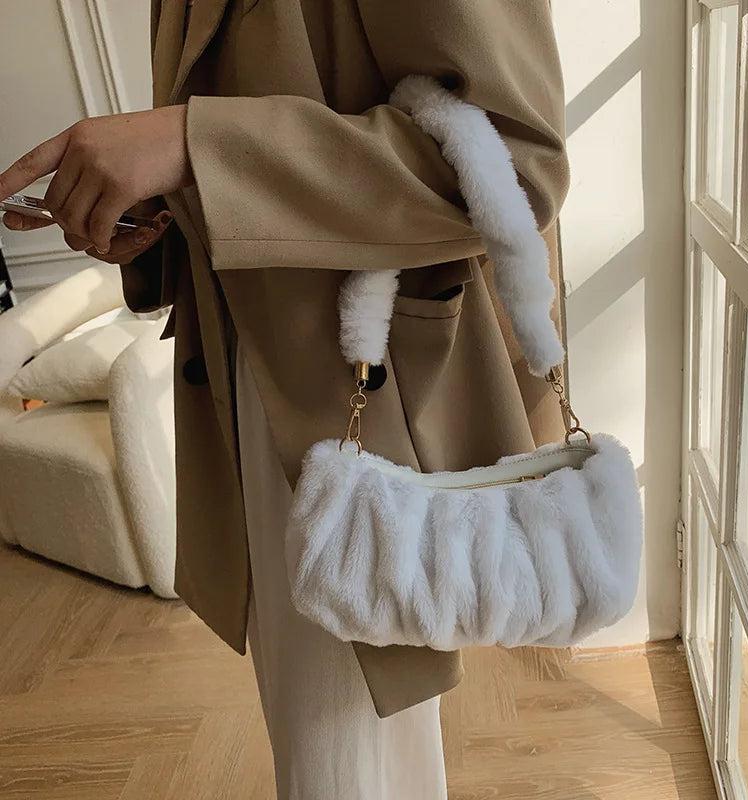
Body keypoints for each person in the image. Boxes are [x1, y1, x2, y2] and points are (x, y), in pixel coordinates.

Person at [0, 1, 569, 797]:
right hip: (263, 376)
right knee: (343, 736)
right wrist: (166, 194)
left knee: (343, 743)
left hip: (356, 398)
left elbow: (516, 162)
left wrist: (195, 147)